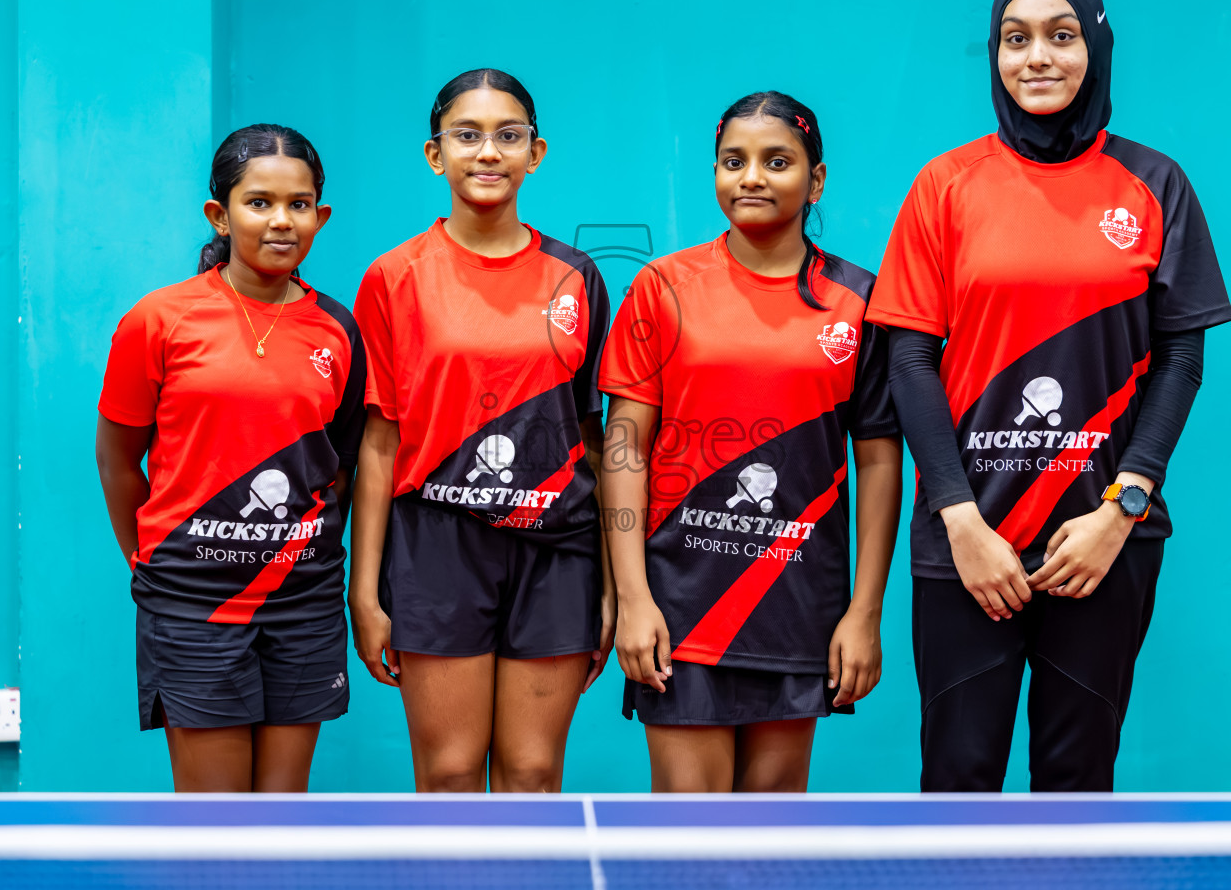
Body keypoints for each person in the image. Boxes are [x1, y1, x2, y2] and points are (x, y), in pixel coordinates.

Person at [866, 0, 1231, 791]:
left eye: (1061, 36)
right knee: (958, 777)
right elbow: (910, 360)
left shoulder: (1155, 183)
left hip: (1102, 543)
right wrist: (960, 519)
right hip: (968, 544)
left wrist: (1122, 507)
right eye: (1015, 38)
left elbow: (1181, 357)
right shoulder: (944, 185)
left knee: (1078, 779)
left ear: (1095, 47)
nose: (1037, 57)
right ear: (994, 54)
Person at [600, 92, 902, 792]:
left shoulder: (858, 301)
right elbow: (624, 451)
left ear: (816, 180)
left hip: (798, 607)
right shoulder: (662, 287)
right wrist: (634, 596)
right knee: (688, 840)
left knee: (771, 842)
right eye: (734, 162)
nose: (752, 178)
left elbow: (880, 461)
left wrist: (864, 612)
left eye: (777, 161)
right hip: (682, 605)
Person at [349, 68, 614, 792]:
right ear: (436, 155)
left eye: (508, 136)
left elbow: (595, 438)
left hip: (557, 550)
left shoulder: (576, 275)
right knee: (451, 772)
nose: (488, 152)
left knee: (532, 772)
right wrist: (363, 591)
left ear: (538, 152)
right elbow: (378, 443)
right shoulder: (394, 277)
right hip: (435, 548)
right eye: (468, 136)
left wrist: (614, 580)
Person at [96, 124, 365, 792]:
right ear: (220, 213)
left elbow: (340, 470)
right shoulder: (158, 321)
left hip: (303, 603)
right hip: (193, 605)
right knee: (216, 825)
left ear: (320, 216)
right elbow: (117, 460)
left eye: (299, 205)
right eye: (259, 202)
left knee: (280, 819)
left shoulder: (339, 331)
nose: (281, 221)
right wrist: (156, 562)